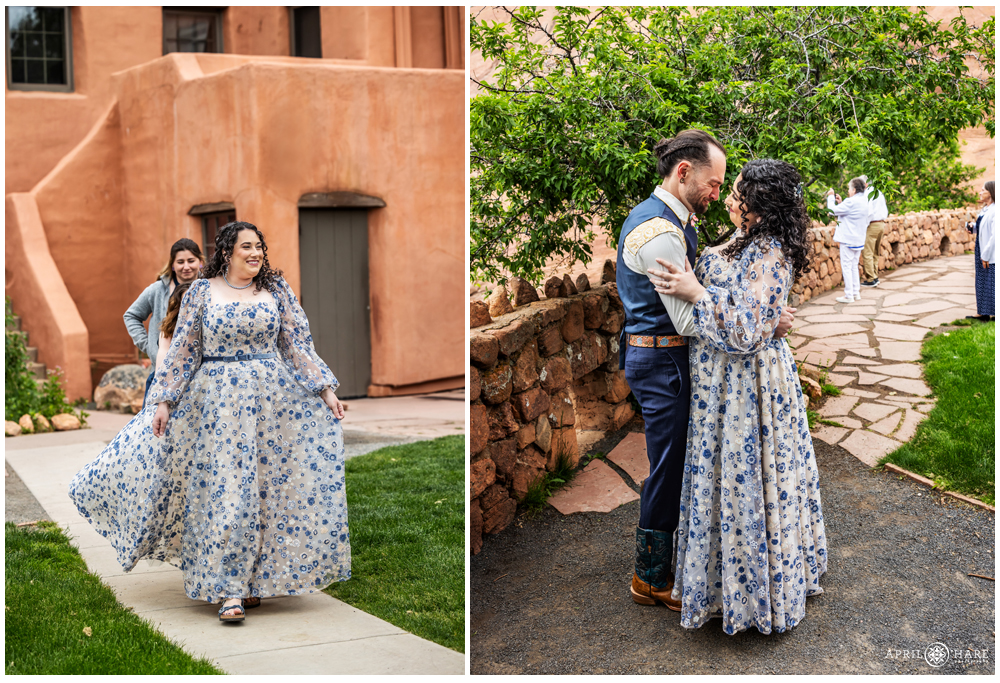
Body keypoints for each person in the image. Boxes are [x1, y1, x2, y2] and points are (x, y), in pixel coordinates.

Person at [70, 221, 350, 624]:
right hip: (217, 406)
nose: (256, 253)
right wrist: (164, 400)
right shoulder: (202, 292)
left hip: (271, 405)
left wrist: (325, 390)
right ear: (227, 251)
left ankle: (253, 580)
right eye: (247, 246)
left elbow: (296, 344)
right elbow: (184, 349)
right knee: (228, 491)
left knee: (265, 493)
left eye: (259, 246)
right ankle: (229, 588)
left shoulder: (275, 289)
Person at [615, 130, 795, 611]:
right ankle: (649, 577)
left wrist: (761, 314)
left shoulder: (671, 219)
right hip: (663, 359)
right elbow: (688, 319)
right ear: (683, 172)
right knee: (670, 468)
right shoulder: (659, 232)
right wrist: (760, 322)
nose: (719, 194)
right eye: (714, 183)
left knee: (679, 464)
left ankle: (684, 566)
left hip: (668, 358)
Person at [648, 158, 827, 634]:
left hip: (749, 390)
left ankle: (752, 599)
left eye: (738, 193)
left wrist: (696, 292)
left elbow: (745, 332)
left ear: (759, 206)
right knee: (723, 481)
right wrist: (770, 317)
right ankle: (721, 588)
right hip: (720, 387)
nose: (729, 197)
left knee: (747, 484)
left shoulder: (771, 250)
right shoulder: (743, 239)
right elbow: (754, 311)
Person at [124, 238, 204, 406]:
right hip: (161, 373)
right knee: (154, 420)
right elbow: (131, 315)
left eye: (191, 261)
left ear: (200, 262)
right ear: (173, 265)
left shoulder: (210, 288)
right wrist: (149, 347)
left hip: (199, 375)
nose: (186, 266)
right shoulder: (157, 290)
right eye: (180, 262)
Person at [826, 178, 869, 303]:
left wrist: (830, 197)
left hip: (848, 239)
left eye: (850, 189)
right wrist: (841, 203)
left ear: (854, 189)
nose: (849, 191)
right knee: (854, 266)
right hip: (858, 239)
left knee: (847, 267)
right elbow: (849, 213)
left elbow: (831, 211)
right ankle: (855, 292)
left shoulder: (851, 202)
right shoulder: (864, 201)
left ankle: (848, 295)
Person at [971, 181, 995, 320]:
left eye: (983, 190)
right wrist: (973, 227)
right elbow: (982, 227)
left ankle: (993, 313)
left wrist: (985, 254)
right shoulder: (986, 209)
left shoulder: (995, 210)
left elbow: (995, 235)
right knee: (982, 280)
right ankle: (982, 312)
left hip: (990, 251)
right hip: (981, 247)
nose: (980, 193)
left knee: (991, 282)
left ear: (990, 193)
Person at [859, 175, 889, 287]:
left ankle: (871, 279)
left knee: (867, 252)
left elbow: (869, 212)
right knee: (875, 252)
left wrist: (863, 225)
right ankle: (875, 276)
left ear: (865, 184)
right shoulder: (878, 192)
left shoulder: (868, 193)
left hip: (872, 225)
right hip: (881, 224)